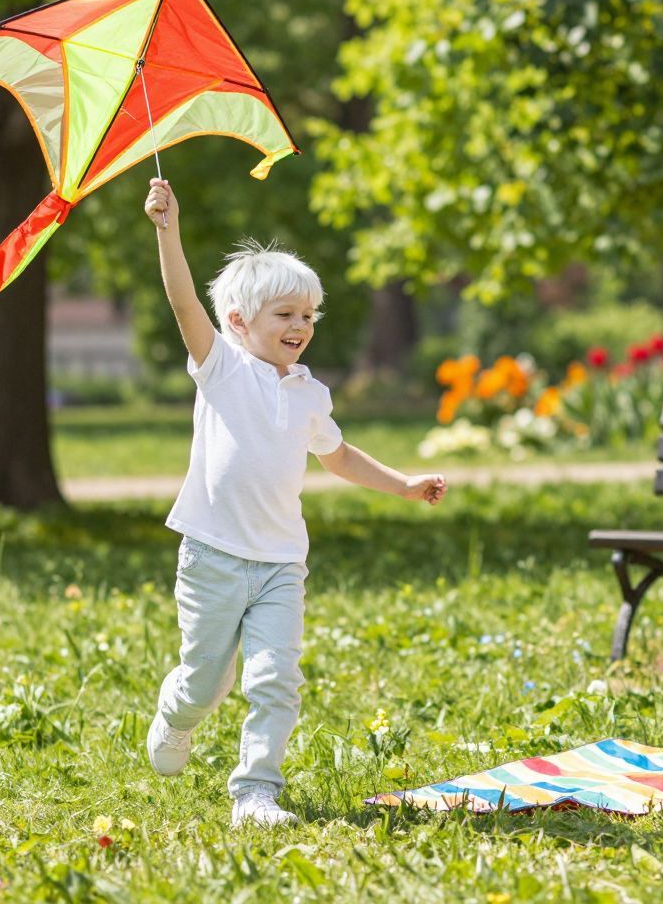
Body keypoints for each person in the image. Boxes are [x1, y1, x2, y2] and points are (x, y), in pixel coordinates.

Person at [141, 178, 447, 827]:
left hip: (280, 562)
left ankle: (255, 791)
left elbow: (337, 456)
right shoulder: (221, 366)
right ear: (239, 322)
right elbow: (182, 301)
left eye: (308, 315)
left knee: (275, 679)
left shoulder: (310, 394)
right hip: (214, 557)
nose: (300, 326)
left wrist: (403, 484)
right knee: (207, 682)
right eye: (285, 315)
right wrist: (168, 229)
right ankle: (177, 714)